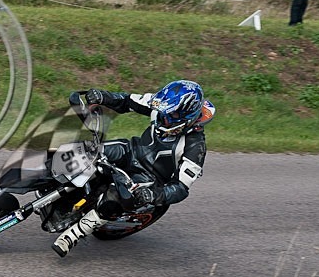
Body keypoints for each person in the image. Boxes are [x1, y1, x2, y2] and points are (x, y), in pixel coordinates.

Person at [52, 80, 215, 257]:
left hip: (150, 178)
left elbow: (181, 188)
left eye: (172, 115)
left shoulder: (195, 146)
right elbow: (127, 101)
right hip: (130, 151)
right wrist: (103, 97)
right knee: (85, 150)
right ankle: (46, 179)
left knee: (116, 196)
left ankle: (74, 234)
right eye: (164, 112)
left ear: (187, 117)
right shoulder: (160, 106)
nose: (165, 118)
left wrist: (154, 194)